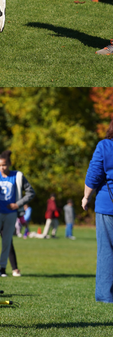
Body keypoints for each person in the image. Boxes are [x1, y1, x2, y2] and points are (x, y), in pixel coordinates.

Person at [83, 117, 113, 301]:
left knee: (106, 251)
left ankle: (105, 296)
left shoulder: (105, 146)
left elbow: (94, 174)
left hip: (107, 205)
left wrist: (86, 197)